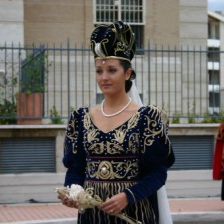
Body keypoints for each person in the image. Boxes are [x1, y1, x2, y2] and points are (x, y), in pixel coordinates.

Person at [58, 21, 175, 224]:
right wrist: (72, 191)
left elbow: (157, 174)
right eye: (99, 71)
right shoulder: (80, 118)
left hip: (133, 213)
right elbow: (76, 169)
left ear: (127, 74)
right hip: (93, 216)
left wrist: (127, 196)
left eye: (112, 70)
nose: (104, 77)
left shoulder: (148, 119)